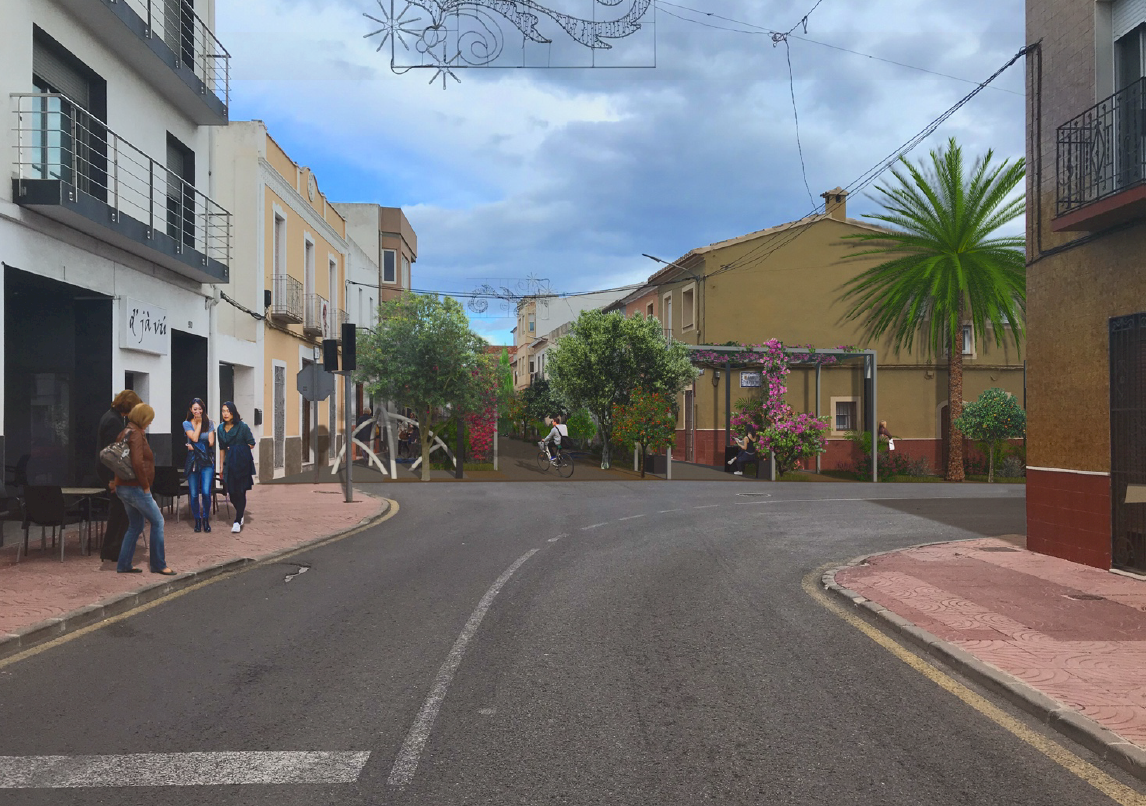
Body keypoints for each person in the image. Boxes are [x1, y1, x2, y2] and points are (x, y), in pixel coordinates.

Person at [112, 403, 175, 575]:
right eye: (149, 419)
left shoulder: (125, 432)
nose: (150, 422)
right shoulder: (137, 434)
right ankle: (158, 564)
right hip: (136, 488)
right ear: (142, 418)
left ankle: (124, 564)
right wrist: (146, 486)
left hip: (123, 486)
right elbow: (137, 463)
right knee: (158, 521)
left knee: (136, 525)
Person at [97, 390, 142, 563]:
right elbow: (112, 454)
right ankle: (113, 550)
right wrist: (114, 480)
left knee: (119, 511)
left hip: (111, 472)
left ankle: (112, 550)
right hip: (112, 474)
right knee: (120, 512)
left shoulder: (111, 418)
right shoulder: (113, 421)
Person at [217, 402, 256, 534]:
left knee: (241, 491)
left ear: (233, 412)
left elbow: (251, 443)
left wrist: (236, 448)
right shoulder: (220, 429)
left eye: (228, 411)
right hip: (229, 464)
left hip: (242, 463)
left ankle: (237, 520)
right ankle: (240, 512)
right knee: (232, 493)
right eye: (223, 411)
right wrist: (221, 466)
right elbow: (222, 448)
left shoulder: (242, 427)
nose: (226, 414)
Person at [183, 398, 215, 532]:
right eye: (195, 409)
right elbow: (194, 437)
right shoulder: (186, 423)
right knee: (194, 494)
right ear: (191, 410)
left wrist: (194, 446)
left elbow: (211, 442)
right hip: (193, 462)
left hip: (207, 461)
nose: (198, 411)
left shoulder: (210, 423)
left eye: (200, 409)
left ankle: (205, 519)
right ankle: (197, 520)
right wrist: (199, 424)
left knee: (206, 492)